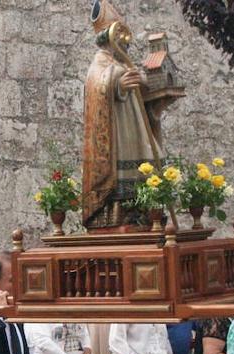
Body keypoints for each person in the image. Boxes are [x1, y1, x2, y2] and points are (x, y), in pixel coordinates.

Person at [81, 1, 159, 229]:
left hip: (132, 130)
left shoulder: (120, 63)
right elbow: (95, 85)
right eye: (120, 38)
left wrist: (153, 102)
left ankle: (141, 209)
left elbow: (140, 91)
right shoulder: (100, 63)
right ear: (109, 38)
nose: (125, 44)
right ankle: (116, 213)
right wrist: (117, 85)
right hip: (117, 135)